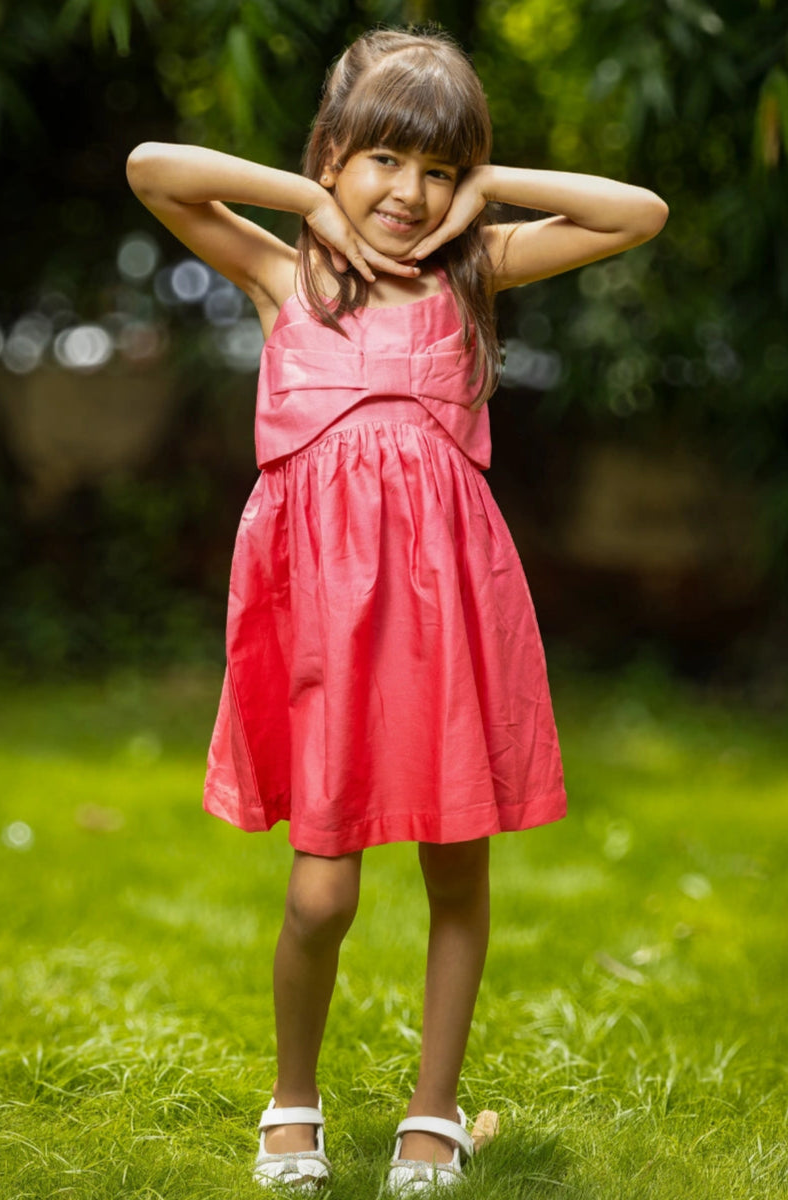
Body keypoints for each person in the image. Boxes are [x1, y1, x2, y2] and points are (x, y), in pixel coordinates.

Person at [127, 25, 667, 1194]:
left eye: (434, 170)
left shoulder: (476, 269)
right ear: (332, 158)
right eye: (380, 162)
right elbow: (152, 167)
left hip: (448, 617)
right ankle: (293, 1095)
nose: (407, 194)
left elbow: (635, 212)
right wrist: (305, 202)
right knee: (320, 891)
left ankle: (434, 1113)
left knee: (454, 874)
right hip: (321, 621)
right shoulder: (285, 278)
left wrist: (488, 188)